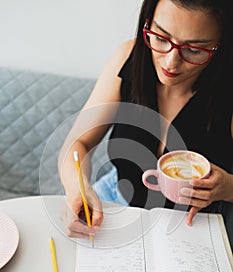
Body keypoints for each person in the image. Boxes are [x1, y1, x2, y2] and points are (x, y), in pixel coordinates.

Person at [58, 0, 233, 239]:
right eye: (160, 37)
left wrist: (228, 187)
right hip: (114, 201)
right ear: (147, 23)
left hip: (195, 227)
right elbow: (77, 144)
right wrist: (77, 189)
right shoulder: (127, 58)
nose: (170, 63)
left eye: (194, 50)